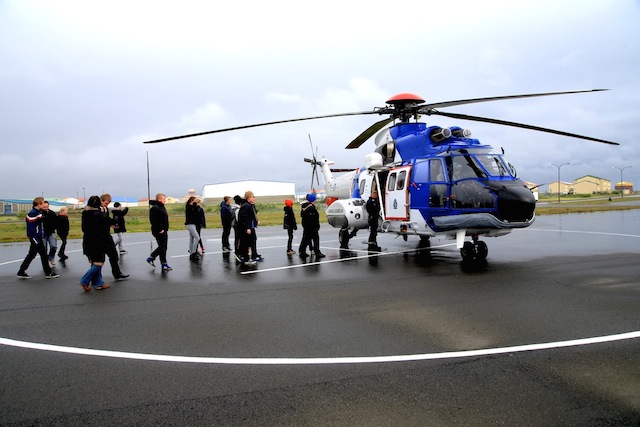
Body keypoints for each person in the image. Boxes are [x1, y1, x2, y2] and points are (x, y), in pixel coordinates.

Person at [17, 197, 60, 279]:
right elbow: (31, 228)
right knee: (43, 255)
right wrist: (35, 238)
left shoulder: (38, 212)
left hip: (37, 237)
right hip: (35, 238)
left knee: (32, 255)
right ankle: (48, 273)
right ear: (39, 204)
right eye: (43, 203)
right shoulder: (33, 213)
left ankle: (21, 271)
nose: (44, 205)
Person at [79, 195, 111, 291]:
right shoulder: (98, 215)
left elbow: (84, 228)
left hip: (87, 240)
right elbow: (107, 223)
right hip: (97, 241)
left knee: (95, 262)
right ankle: (84, 280)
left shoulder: (85, 213)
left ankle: (98, 282)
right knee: (99, 262)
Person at [100, 194, 129, 280]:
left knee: (114, 256)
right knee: (99, 260)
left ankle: (117, 274)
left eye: (108, 203)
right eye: (106, 203)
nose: (107, 204)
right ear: (101, 200)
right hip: (100, 236)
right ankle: (91, 278)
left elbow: (106, 219)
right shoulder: (98, 210)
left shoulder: (106, 209)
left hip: (107, 234)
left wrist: (111, 225)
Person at [147, 193, 171, 271]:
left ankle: (163, 263)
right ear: (159, 199)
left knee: (164, 247)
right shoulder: (156, 208)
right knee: (162, 246)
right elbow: (154, 220)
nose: (165, 201)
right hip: (159, 231)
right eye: (164, 199)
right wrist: (160, 229)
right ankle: (151, 257)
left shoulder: (161, 207)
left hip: (164, 230)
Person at [236, 191, 262, 264]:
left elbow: (251, 217)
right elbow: (245, 218)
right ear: (249, 197)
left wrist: (255, 222)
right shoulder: (246, 206)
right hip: (247, 227)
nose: (254, 198)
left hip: (250, 226)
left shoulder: (248, 205)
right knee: (247, 242)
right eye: (252, 197)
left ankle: (250, 256)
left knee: (251, 241)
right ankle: (246, 258)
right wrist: (248, 228)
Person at [299, 193, 325, 259]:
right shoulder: (311, 208)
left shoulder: (304, 207)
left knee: (305, 239)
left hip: (306, 226)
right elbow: (313, 219)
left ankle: (302, 251)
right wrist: (316, 226)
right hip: (312, 227)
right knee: (315, 240)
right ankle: (317, 252)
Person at [185, 196, 201, 262]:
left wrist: (197, 206)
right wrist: (195, 204)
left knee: (192, 239)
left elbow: (196, 213)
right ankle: (194, 252)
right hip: (190, 224)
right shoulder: (188, 206)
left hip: (193, 224)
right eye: (194, 201)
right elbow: (192, 212)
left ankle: (191, 253)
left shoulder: (191, 207)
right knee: (197, 238)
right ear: (191, 201)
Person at [42, 201, 58, 267]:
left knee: (53, 246)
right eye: (44, 207)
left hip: (51, 232)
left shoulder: (52, 213)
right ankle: (45, 263)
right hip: (43, 233)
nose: (45, 208)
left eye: (47, 207)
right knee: (44, 248)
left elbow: (56, 222)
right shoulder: (40, 214)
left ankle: (51, 258)